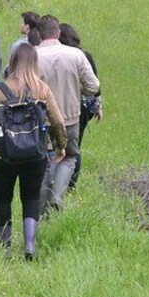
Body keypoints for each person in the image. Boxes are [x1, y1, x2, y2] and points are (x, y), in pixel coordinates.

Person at [0, 43, 67, 260]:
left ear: (12, 61)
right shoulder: (42, 89)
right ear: (34, 63)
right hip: (35, 154)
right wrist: (60, 146)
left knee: (3, 200)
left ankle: (5, 251)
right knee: (31, 198)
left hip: (2, 154)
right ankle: (29, 246)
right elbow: (58, 122)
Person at [35, 15, 100, 215]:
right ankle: (58, 197)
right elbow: (94, 86)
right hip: (70, 118)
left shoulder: (31, 54)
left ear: (38, 34)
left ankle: (42, 208)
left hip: (40, 118)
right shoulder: (75, 55)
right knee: (69, 156)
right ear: (59, 33)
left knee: (44, 159)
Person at [58, 23, 102, 189]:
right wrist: (99, 105)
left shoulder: (62, 57)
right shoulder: (85, 55)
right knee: (76, 146)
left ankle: (59, 182)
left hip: (67, 105)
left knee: (62, 147)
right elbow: (96, 84)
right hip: (85, 106)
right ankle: (71, 184)